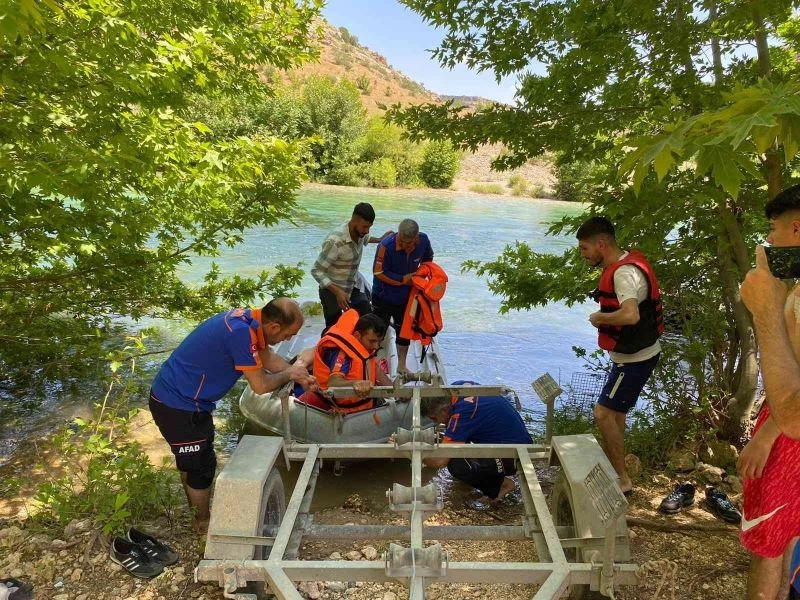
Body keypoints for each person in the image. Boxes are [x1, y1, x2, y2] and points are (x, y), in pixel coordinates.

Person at [148, 298, 316, 534]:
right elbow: (260, 385)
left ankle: (196, 516)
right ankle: (202, 524)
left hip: (189, 400)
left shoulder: (249, 321)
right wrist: (289, 373)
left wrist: (298, 374)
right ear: (274, 327)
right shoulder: (240, 334)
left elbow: (267, 358)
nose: (287, 340)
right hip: (179, 404)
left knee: (195, 461)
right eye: (289, 335)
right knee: (201, 468)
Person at [738, 184, 800, 599]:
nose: (769, 240)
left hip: (787, 437)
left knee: (769, 542)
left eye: (772, 230)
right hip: (784, 425)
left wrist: (764, 437)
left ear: (796, 229)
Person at [576, 216, 663, 495]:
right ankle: (619, 471)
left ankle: (622, 479)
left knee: (603, 414)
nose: (583, 255)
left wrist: (600, 317)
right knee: (617, 415)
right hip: (635, 356)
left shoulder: (623, 274)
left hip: (634, 360)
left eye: (585, 249)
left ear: (601, 245)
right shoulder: (624, 264)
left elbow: (630, 314)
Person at [420, 380, 532, 502]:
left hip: (515, 455)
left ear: (444, 410)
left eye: (434, 418)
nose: (436, 423)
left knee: (456, 464)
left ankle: (502, 484)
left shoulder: (463, 413)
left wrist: (416, 454)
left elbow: (440, 461)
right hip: (518, 440)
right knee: (455, 443)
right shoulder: (457, 388)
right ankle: (482, 477)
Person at [311, 203, 391, 331]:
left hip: (351, 285)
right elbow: (316, 271)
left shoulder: (359, 232)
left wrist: (380, 239)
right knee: (334, 328)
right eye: (365, 227)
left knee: (366, 314)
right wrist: (338, 292)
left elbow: (365, 238)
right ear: (354, 220)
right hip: (331, 290)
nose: (367, 231)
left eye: (369, 227)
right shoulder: (335, 241)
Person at [296, 310, 393, 413]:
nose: (376, 346)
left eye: (379, 342)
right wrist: (356, 383)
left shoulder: (364, 351)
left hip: (365, 404)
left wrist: (396, 391)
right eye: (372, 341)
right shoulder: (343, 354)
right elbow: (333, 382)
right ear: (357, 335)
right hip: (339, 407)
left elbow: (376, 369)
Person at [372, 219, 434, 372]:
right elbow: (378, 272)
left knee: (404, 331)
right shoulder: (385, 245)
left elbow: (428, 260)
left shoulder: (423, 241)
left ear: (416, 238)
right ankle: (371, 363)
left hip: (407, 297)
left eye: (409, 243)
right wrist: (403, 279)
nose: (404, 245)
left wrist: (420, 275)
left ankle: (401, 365)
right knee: (378, 330)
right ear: (398, 235)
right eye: (402, 241)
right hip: (383, 295)